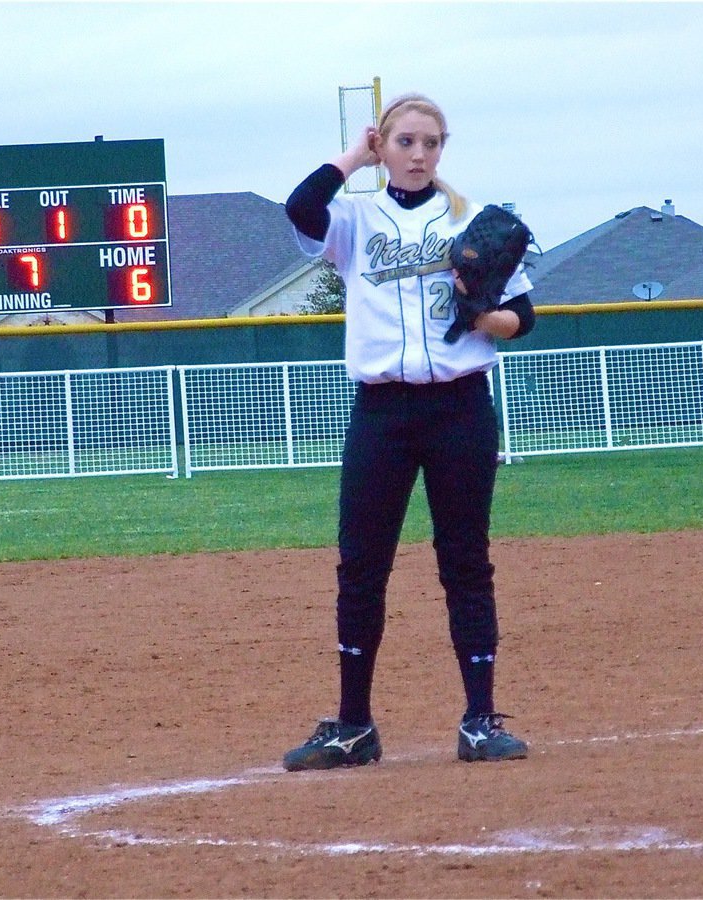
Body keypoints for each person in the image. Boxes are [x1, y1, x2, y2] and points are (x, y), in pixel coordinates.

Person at [281, 92, 537, 771]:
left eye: (430, 143)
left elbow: (523, 316)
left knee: (466, 562)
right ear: (382, 147)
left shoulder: (472, 222)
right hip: (381, 415)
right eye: (404, 142)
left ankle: (480, 721)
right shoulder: (354, 219)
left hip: (459, 408)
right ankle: (354, 727)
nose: (419, 154)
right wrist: (354, 158)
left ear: (443, 149)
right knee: (361, 568)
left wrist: (482, 316)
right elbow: (300, 207)